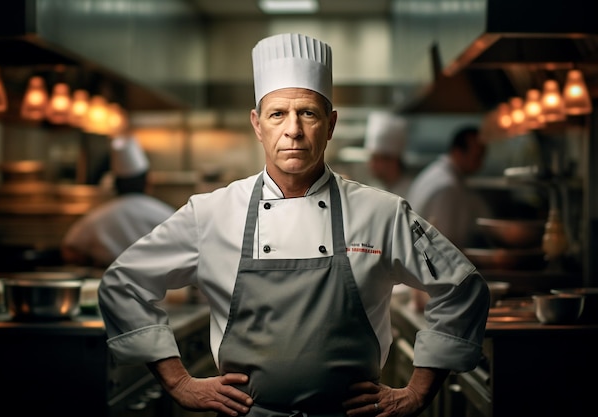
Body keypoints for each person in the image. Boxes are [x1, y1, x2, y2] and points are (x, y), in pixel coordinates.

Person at [98, 33, 490, 417]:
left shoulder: (381, 213)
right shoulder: (210, 213)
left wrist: (419, 392)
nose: (293, 130)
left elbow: (462, 286)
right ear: (257, 124)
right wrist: (178, 382)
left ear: (330, 123)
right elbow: (123, 283)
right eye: (277, 114)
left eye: (308, 113)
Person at [61, 135, 175, 268]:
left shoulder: (97, 217)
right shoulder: (166, 214)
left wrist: (93, 262)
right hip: (159, 285)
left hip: (107, 282)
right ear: (147, 182)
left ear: (115, 185)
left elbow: (69, 250)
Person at [406, 126, 492, 249]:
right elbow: (443, 244)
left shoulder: (438, 173)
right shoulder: (447, 187)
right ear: (457, 152)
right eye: (477, 156)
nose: (480, 163)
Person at [364, 110, 412, 197]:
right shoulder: (374, 188)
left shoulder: (411, 192)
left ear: (392, 161)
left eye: (376, 159)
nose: (371, 164)